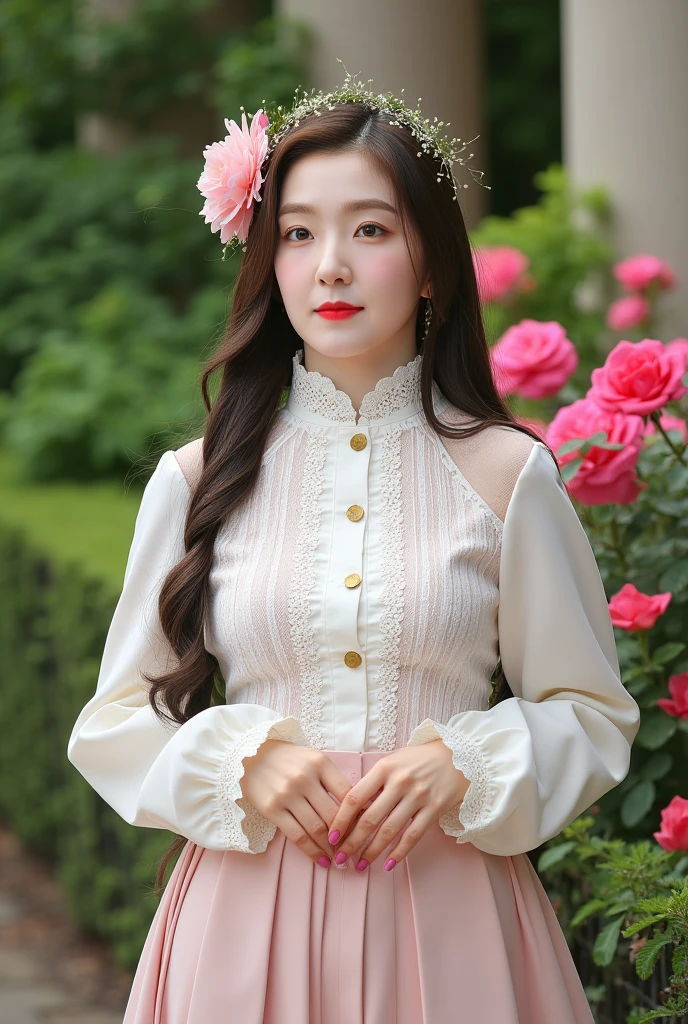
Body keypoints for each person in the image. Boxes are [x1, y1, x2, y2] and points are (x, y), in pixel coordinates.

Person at [66, 63, 640, 1023]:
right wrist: (237, 758)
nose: (330, 263)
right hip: (239, 931)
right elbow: (112, 724)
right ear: (270, 262)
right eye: (298, 232)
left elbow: (590, 711)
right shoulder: (198, 479)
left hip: (455, 926)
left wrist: (469, 759)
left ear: (429, 264)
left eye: (369, 229)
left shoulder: (508, 475)